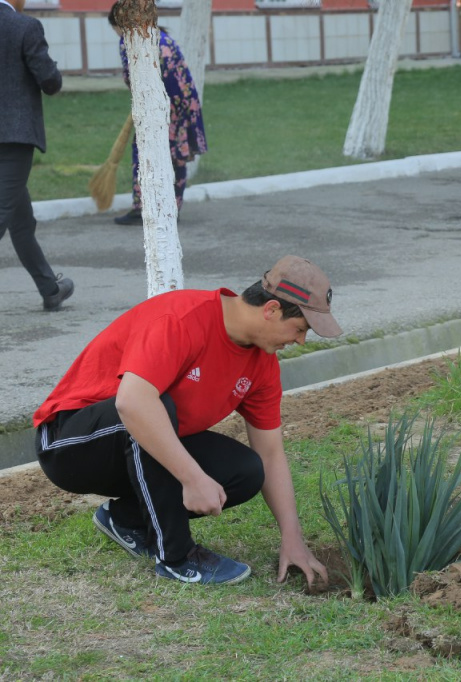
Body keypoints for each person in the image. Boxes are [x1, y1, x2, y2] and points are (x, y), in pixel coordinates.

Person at [33, 256, 341, 587]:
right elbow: (132, 403)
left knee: (247, 470)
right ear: (271, 310)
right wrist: (193, 478)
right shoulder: (182, 318)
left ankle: (125, 520)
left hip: (136, 442)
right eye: (299, 329)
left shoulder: (263, 365)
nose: (300, 341)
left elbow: (271, 453)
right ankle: (177, 558)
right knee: (154, 406)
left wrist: (292, 537)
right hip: (69, 441)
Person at [0, 0, 74, 311]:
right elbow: (49, 81)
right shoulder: (24, 26)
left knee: (21, 220)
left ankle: (50, 288)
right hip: (13, 137)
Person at [108, 2, 207, 226]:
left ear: (121, 22)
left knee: (142, 152)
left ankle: (141, 208)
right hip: (185, 104)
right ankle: (173, 208)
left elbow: (131, 78)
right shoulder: (163, 37)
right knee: (177, 156)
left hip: (160, 108)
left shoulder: (130, 40)